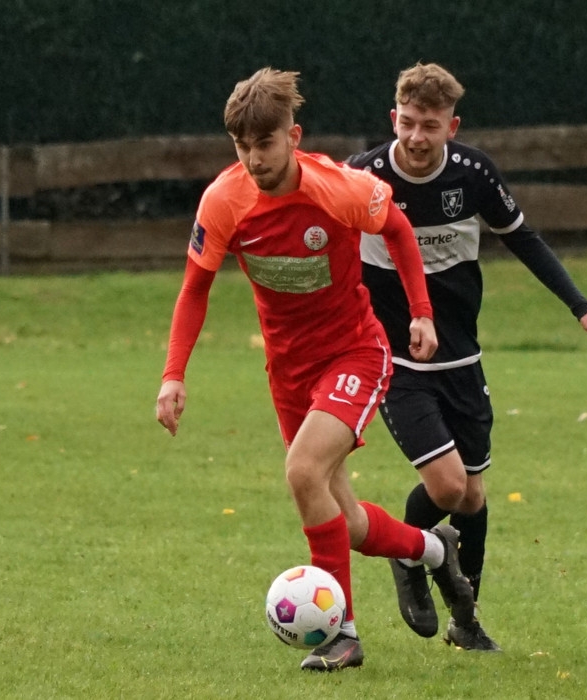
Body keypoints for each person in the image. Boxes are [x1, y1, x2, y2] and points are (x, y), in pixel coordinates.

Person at [155, 67, 478, 672]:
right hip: (288, 372)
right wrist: (174, 374)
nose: (254, 158)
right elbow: (195, 288)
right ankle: (434, 549)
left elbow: (398, 229)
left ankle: (342, 635)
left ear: (293, 136)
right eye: (242, 146)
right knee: (345, 519)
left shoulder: (340, 187)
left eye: (265, 143)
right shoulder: (224, 201)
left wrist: (421, 312)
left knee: (303, 471)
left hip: (355, 352)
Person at [347, 62, 587, 652]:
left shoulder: (473, 174)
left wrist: (581, 307)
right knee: (447, 487)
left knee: (472, 497)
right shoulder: (362, 177)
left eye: (431, 125)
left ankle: (466, 622)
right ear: (393, 118)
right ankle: (408, 553)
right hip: (395, 362)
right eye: (408, 122)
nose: (417, 137)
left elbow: (523, 238)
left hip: (462, 361)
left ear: (452, 126)